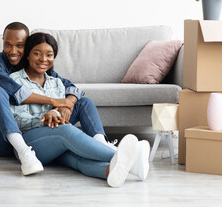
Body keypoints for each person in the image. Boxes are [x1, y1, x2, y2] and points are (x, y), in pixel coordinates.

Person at [9, 32, 150, 187]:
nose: (43, 59)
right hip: (31, 142)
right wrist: (45, 118)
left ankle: (109, 171)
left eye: (49, 55)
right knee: (65, 131)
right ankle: (127, 158)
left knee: (74, 157)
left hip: (55, 143)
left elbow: (63, 107)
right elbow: (15, 120)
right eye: (37, 54)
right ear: (27, 55)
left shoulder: (56, 83)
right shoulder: (15, 80)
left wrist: (57, 112)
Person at [0, 22, 86, 175]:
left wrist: (65, 105)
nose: (13, 51)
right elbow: (16, 92)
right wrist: (53, 101)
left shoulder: (34, 61)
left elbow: (68, 86)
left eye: (20, 45)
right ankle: (23, 152)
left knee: (82, 102)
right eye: (8, 44)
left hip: (31, 137)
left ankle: (103, 144)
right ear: (2, 40)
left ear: (27, 46)